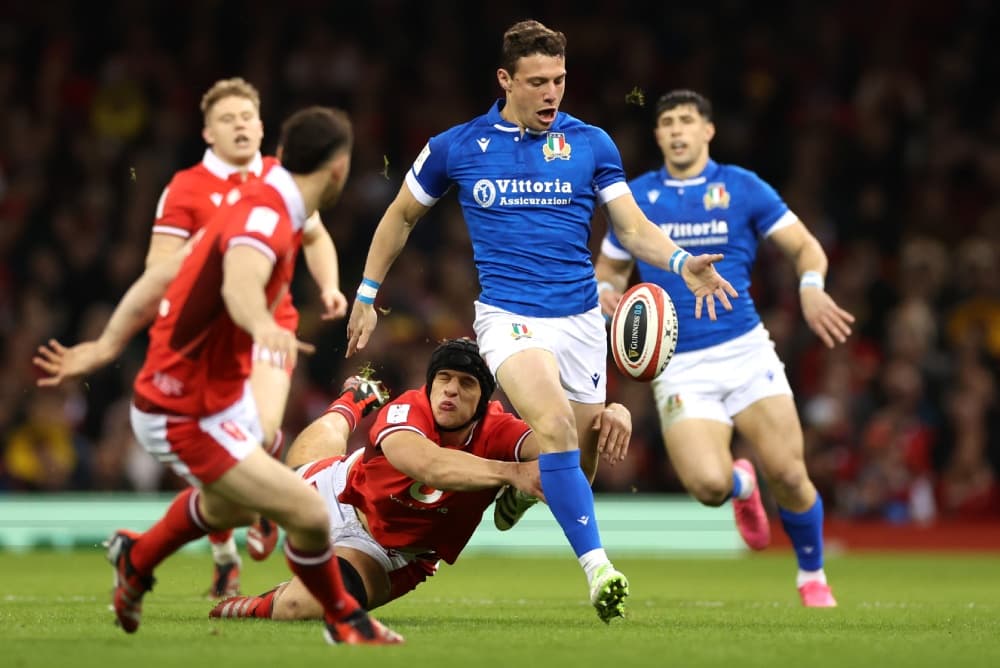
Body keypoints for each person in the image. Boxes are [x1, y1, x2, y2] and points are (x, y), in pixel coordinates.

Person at [344, 19, 738, 623]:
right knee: (552, 426)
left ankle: (519, 493)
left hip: (580, 319)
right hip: (509, 317)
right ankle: (599, 569)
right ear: (506, 80)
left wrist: (683, 265)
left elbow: (630, 228)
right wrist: (368, 291)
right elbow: (399, 216)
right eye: (537, 82)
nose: (552, 93)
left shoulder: (593, 144)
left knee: (575, 463)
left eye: (558, 79)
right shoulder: (457, 146)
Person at [38, 106, 402, 644]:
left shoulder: (271, 194)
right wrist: (263, 325)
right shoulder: (265, 217)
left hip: (212, 396)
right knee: (303, 510)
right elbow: (238, 286)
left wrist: (107, 345)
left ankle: (136, 559)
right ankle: (348, 623)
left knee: (230, 501)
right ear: (339, 168)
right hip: (180, 408)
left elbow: (166, 271)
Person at [594, 90, 855, 607]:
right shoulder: (635, 197)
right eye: (666, 122)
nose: (676, 130)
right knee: (708, 488)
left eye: (686, 120)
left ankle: (811, 576)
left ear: (708, 130)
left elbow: (806, 246)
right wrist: (606, 295)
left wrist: (810, 286)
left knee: (789, 472)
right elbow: (610, 272)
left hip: (744, 350)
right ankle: (740, 484)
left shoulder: (742, 187)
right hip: (679, 365)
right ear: (657, 135)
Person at [208, 338, 633, 620]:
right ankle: (351, 404)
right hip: (342, 499)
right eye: (442, 379)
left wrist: (605, 416)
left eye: (466, 384)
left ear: (484, 402)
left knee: (301, 607)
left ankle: (261, 602)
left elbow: (568, 464)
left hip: (390, 554)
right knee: (278, 477)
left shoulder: (499, 431)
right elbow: (425, 464)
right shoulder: (409, 409)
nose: (449, 390)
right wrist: (511, 474)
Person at [145, 77, 349, 596]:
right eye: (227, 119)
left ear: (262, 127)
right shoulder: (185, 189)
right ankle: (225, 546)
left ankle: (249, 516)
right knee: (226, 456)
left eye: (247, 117)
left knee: (255, 436)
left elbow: (317, 235)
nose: (239, 125)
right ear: (208, 133)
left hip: (267, 331)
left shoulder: (282, 179)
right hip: (208, 341)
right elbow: (157, 267)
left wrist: (328, 285)